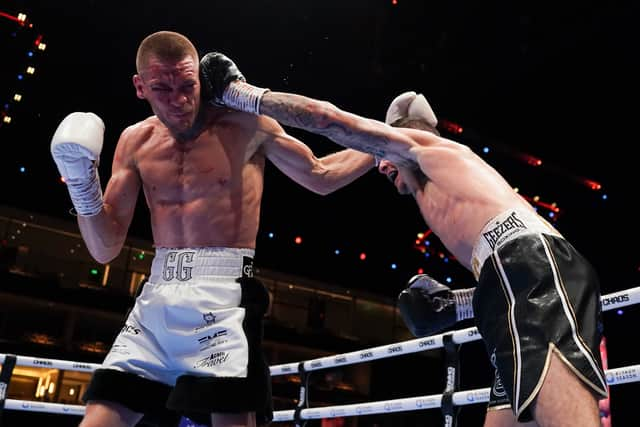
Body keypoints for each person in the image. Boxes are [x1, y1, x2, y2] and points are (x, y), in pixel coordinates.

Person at [197, 52, 609, 426]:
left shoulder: (421, 146)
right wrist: (459, 304)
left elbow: (326, 120)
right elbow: (506, 262)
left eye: (378, 154)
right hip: (517, 283)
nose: (377, 167)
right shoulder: (450, 184)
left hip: (533, 277)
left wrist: (239, 94)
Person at [49, 32, 375, 427]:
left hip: (224, 299)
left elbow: (322, 175)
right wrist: (83, 187)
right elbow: (105, 248)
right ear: (140, 87)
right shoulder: (134, 142)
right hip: (156, 299)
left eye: (188, 85)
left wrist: (390, 144)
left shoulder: (246, 125)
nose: (178, 99)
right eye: (162, 88)